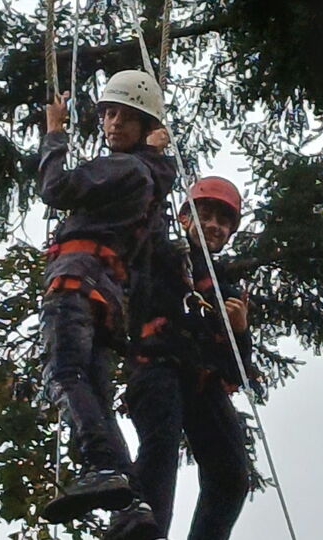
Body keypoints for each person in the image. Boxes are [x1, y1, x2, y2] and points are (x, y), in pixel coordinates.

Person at [38, 70, 175, 525]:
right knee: (93, 389)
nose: (112, 124)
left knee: (64, 372)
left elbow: (56, 189)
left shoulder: (124, 167)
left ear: (142, 124)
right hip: (106, 295)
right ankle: (133, 504)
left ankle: (101, 466)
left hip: (78, 281)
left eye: (123, 116)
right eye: (108, 114)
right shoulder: (150, 179)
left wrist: (55, 134)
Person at [106, 176, 261, 540]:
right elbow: (145, 220)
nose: (214, 226)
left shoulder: (226, 287)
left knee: (232, 475)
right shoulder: (162, 255)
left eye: (223, 222)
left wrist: (239, 329)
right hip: (156, 367)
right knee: (160, 450)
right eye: (205, 216)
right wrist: (154, 164)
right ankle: (143, 531)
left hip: (201, 381)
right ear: (185, 219)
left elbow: (238, 365)